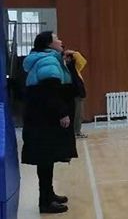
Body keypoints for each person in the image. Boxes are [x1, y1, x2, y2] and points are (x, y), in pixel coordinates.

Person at [22, 31, 77, 214]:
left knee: (47, 159)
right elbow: (50, 92)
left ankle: (49, 194)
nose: (61, 41)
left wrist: (66, 63)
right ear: (48, 44)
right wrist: (62, 113)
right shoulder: (48, 61)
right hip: (44, 120)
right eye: (56, 39)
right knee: (45, 160)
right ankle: (45, 202)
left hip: (40, 119)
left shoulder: (47, 60)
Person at [64, 49, 88, 138]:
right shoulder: (62, 67)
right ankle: (72, 132)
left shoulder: (75, 67)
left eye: (68, 58)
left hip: (78, 93)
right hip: (68, 93)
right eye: (65, 57)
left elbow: (82, 61)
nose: (67, 59)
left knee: (79, 114)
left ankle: (77, 131)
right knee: (70, 114)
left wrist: (73, 52)